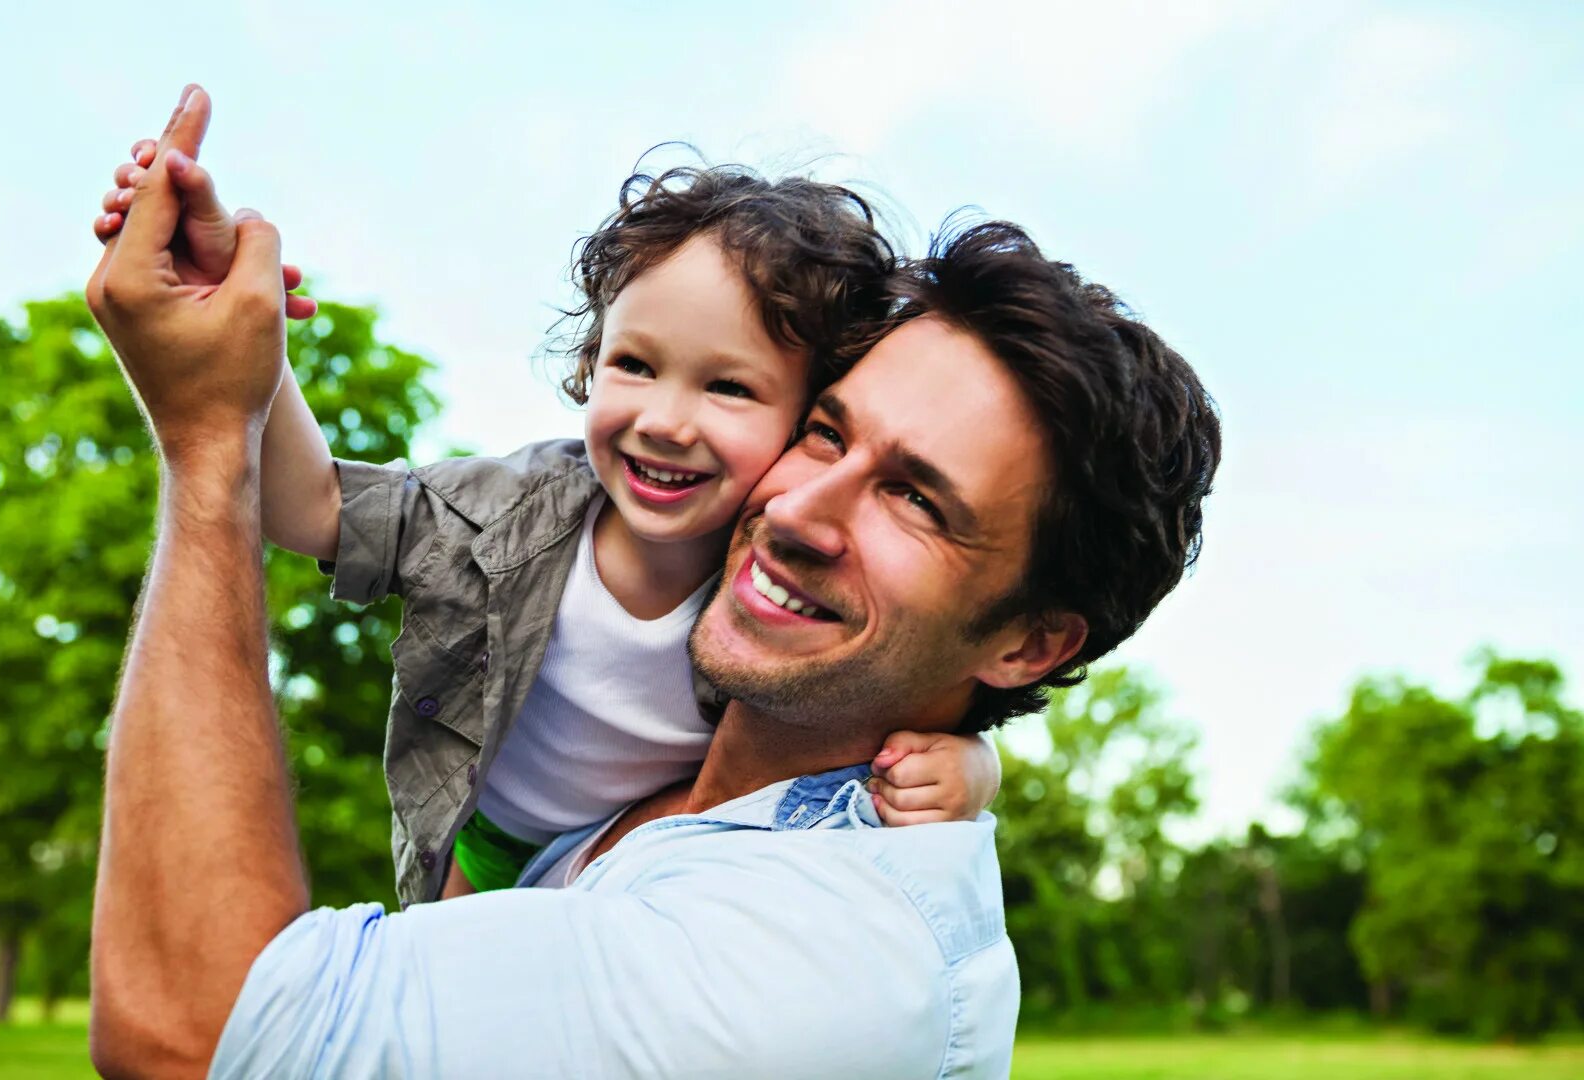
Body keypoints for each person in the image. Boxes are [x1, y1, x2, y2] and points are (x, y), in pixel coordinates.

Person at [86, 88, 1219, 1078]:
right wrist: (248, 357)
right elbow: (328, 506)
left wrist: (206, 432)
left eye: (917, 500)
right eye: (828, 434)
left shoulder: (816, 973)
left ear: (1029, 646)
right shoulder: (688, 774)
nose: (801, 513)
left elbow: (211, 1035)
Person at [92, 86, 999, 906]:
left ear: (808, 419)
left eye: (729, 388)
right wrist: (248, 349)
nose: (666, 420)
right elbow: (316, 507)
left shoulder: (789, 583)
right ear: (590, 365)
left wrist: (970, 765)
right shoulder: (508, 512)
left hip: (648, 861)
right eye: (635, 366)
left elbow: (894, 694)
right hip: (481, 846)